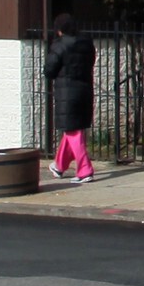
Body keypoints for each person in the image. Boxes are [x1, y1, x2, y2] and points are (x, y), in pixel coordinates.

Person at [45, 14, 96, 183]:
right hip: (85, 89)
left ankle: (84, 169)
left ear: (59, 29)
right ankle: (59, 165)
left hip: (67, 92)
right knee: (73, 128)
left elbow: (50, 69)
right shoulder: (86, 43)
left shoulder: (60, 44)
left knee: (73, 132)